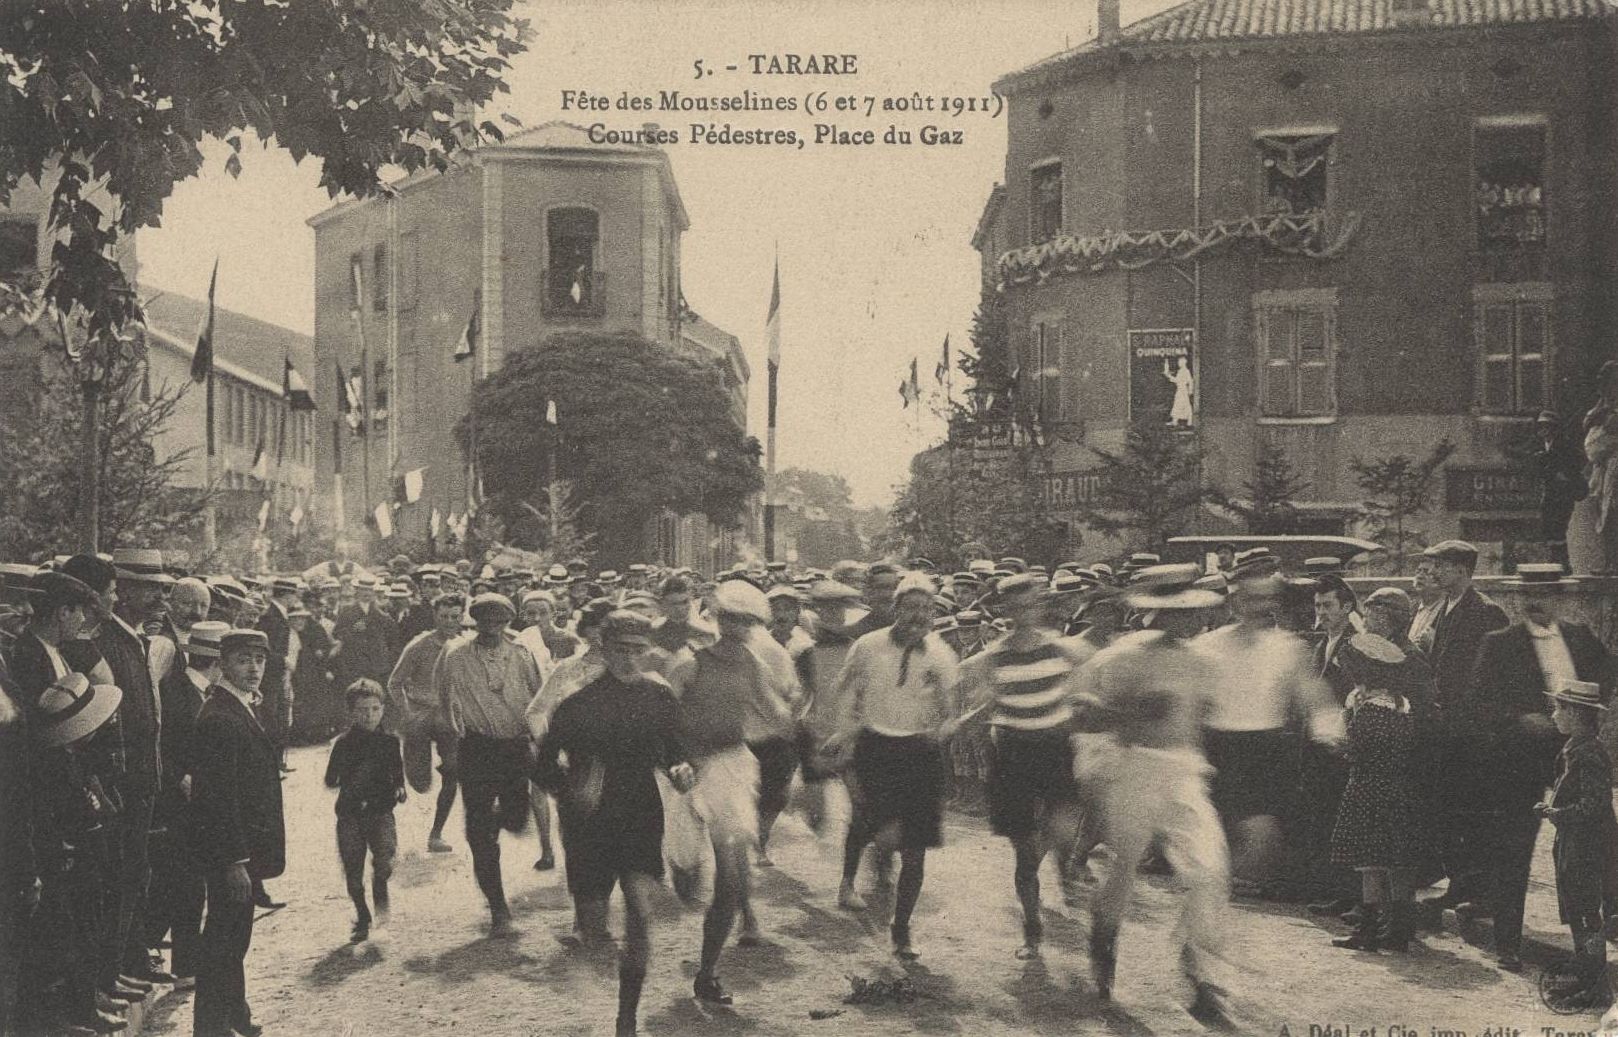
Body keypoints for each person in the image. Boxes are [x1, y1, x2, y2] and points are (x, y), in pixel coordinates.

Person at [1072, 564, 1236, 1027]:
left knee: (1208, 870)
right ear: (1157, 612)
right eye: (1178, 611)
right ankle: (1104, 942)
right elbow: (1081, 715)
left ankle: (1202, 976)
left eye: (1192, 611)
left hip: (1185, 771)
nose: (1191, 620)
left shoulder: (1202, 660)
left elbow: (1204, 719)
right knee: (1123, 869)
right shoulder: (1121, 657)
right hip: (1133, 768)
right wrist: (1126, 712)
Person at [533, 611, 696, 1037]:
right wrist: (571, 788)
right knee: (592, 928)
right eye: (620, 650)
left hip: (640, 810)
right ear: (603, 650)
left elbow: (677, 750)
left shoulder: (658, 697)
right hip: (589, 821)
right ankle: (601, 986)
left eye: (637, 651)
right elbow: (542, 766)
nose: (629, 659)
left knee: (640, 912)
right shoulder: (577, 701)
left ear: (648, 652)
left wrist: (681, 769)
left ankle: (627, 1016)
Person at [1470, 563, 1615, 972]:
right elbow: (1481, 701)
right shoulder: (1500, 643)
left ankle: (1599, 939)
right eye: (1530, 594)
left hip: (1577, 752)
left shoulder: (1581, 639)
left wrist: (1588, 711)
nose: (1538, 602)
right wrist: (1520, 718)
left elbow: (1609, 671)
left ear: (1560, 597)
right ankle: (1508, 943)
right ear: (1518, 598)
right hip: (1520, 758)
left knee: (1593, 842)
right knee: (1513, 848)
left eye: (1547, 594)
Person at [667, 580, 798, 998]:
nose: (739, 628)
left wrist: (803, 721)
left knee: (731, 868)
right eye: (732, 619)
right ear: (717, 619)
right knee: (685, 869)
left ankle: (707, 973)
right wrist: (676, 763)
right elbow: (662, 722)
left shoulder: (753, 663)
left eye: (748, 622)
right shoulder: (688, 663)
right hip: (683, 773)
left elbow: (776, 712)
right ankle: (684, 869)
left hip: (730, 765)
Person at [953, 573, 1089, 959]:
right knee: (1024, 854)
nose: (1024, 613)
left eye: (1030, 604)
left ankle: (1056, 865)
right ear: (1005, 611)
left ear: (1040, 605)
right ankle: (1032, 928)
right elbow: (993, 698)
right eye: (1015, 608)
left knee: (1062, 831)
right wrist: (967, 719)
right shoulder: (989, 658)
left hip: (1055, 747)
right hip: (1013, 752)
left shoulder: (1066, 651)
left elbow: (1079, 694)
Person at [831, 572, 960, 960]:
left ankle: (901, 929)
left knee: (915, 848)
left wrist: (946, 726)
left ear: (933, 613)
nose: (918, 615)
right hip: (875, 748)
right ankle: (847, 880)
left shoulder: (941, 655)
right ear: (896, 609)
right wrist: (844, 732)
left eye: (926, 608)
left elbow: (950, 710)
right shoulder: (868, 646)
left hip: (920, 752)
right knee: (872, 829)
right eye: (910, 607)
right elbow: (844, 689)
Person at [1193, 573, 1337, 900]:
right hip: (1216, 747)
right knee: (1209, 837)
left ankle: (1224, 891)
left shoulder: (1286, 648)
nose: (1261, 607)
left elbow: (1312, 693)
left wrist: (1328, 728)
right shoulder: (1206, 646)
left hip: (1264, 751)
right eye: (1253, 599)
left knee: (1262, 835)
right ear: (1235, 603)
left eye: (1267, 600)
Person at [190, 628, 285, 1037]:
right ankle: (211, 1028)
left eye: (259, 659)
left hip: (243, 849)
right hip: (232, 853)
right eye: (243, 659)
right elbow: (218, 800)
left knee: (233, 939)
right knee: (224, 943)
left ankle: (234, 1017)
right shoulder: (219, 716)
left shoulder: (239, 706)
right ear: (223, 662)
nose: (253, 668)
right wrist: (234, 862)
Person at [22, 673, 126, 1036]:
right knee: (73, 935)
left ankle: (86, 1003)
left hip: (84, 856)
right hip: (71, 861)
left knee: (87, 930)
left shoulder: (70, 756)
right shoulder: (53, 766)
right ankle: (77, 1011)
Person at [435, 592, 543, 934]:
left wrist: (540, 741)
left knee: (515, 820)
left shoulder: (523, 655)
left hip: (515, 748)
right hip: (477, 748)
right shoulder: (455, 655)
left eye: (500, 623)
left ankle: (496, 818)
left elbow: (540, 699)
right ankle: (499, 910)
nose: (492, 630)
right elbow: (443, 697)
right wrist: (454, 734)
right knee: (479, 835)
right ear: (475, 622)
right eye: (486, 623)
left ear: (509, 624)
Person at [1423, 540, 1510, 915]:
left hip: (1473, 734)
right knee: (1449, 811)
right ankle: (1460, 885)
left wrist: (1476, 720)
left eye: (1442, 565)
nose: (1435, 572)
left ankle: (1485, 894)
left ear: (1462, 570)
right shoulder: (1444, 608)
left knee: (1475, 814)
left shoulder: (1487, 612)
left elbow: (1497, 676)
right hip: (1447, 730)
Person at [1327, 634, 1426, 954]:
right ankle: (1399, 931)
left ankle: (1368, 930)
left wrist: (1343, 729)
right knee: (1396, 862)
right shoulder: (1402, 709)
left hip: (1368, 788)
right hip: (1400, 790)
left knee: (1370, 863)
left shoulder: (1367, 713)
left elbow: (1353, 751)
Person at [147, 621, 230, 989]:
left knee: (185, 884)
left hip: (193, 805)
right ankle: (180, 964)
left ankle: (179, 961)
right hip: (175, 805)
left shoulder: (196, 691)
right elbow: (164, 745)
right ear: (217, 660)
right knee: (182, 885)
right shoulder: (178, 693)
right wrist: (181, 777)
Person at [1538, 679, 1617, 1006]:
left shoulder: (1588, 753)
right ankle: (1588, 977)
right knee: (1579, 910)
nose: (1555, 715)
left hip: (1587, 846)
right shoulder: (1578, 747)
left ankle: (1592, 983)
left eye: (1560, 708)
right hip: (1578, 842)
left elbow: (1594, 804)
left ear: (1577, 714)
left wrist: (1558, 813)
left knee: (1585, 913)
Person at [325, 679, 405, 944]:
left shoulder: (390, 742)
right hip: (350, 816)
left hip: (381, 813)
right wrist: (349, 778)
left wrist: (400, 788)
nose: (368, 715)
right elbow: (330, 779)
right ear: (351, 712)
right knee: (353, 869)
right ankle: (363, 915)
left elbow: (397, 773)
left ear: (383, 709)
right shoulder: (343, 744)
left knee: (384, 862)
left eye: (374, 709)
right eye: (361, 710)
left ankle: (382, 909)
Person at [387, 592, 466, 854]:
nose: (449, 622)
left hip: (450, 718)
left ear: (462, 617)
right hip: (420, 716)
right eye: (444, 616)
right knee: (420, 783)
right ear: (435, 616)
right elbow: (394, 683)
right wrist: (407, 712)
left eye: (454, 617)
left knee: (453, 771)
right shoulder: (418, 646)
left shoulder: (466, 646)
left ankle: (436, 834)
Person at [1536, 410, 1588, 572]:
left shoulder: (1564, 444)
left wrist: (1564, 474)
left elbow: (1579, 460)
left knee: (1558, 527)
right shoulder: (1543, 445)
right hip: (1550, 493)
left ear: (1554, 429)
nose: (1543, 430)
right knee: (1549, 527)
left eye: (1547, 427)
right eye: (1542, 427)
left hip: (1563, 494)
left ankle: (1562, 564)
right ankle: (1556, 562)